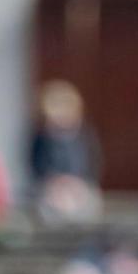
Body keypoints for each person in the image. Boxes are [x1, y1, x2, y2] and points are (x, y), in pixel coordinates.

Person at [28, 81, 103, 223]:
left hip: (80, 186)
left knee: (87, 208)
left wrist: (76, 183)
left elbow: (93, 163)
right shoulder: (41, 137)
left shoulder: (84, 135)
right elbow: (36, 164)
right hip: (51, 188)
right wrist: (54, 182)